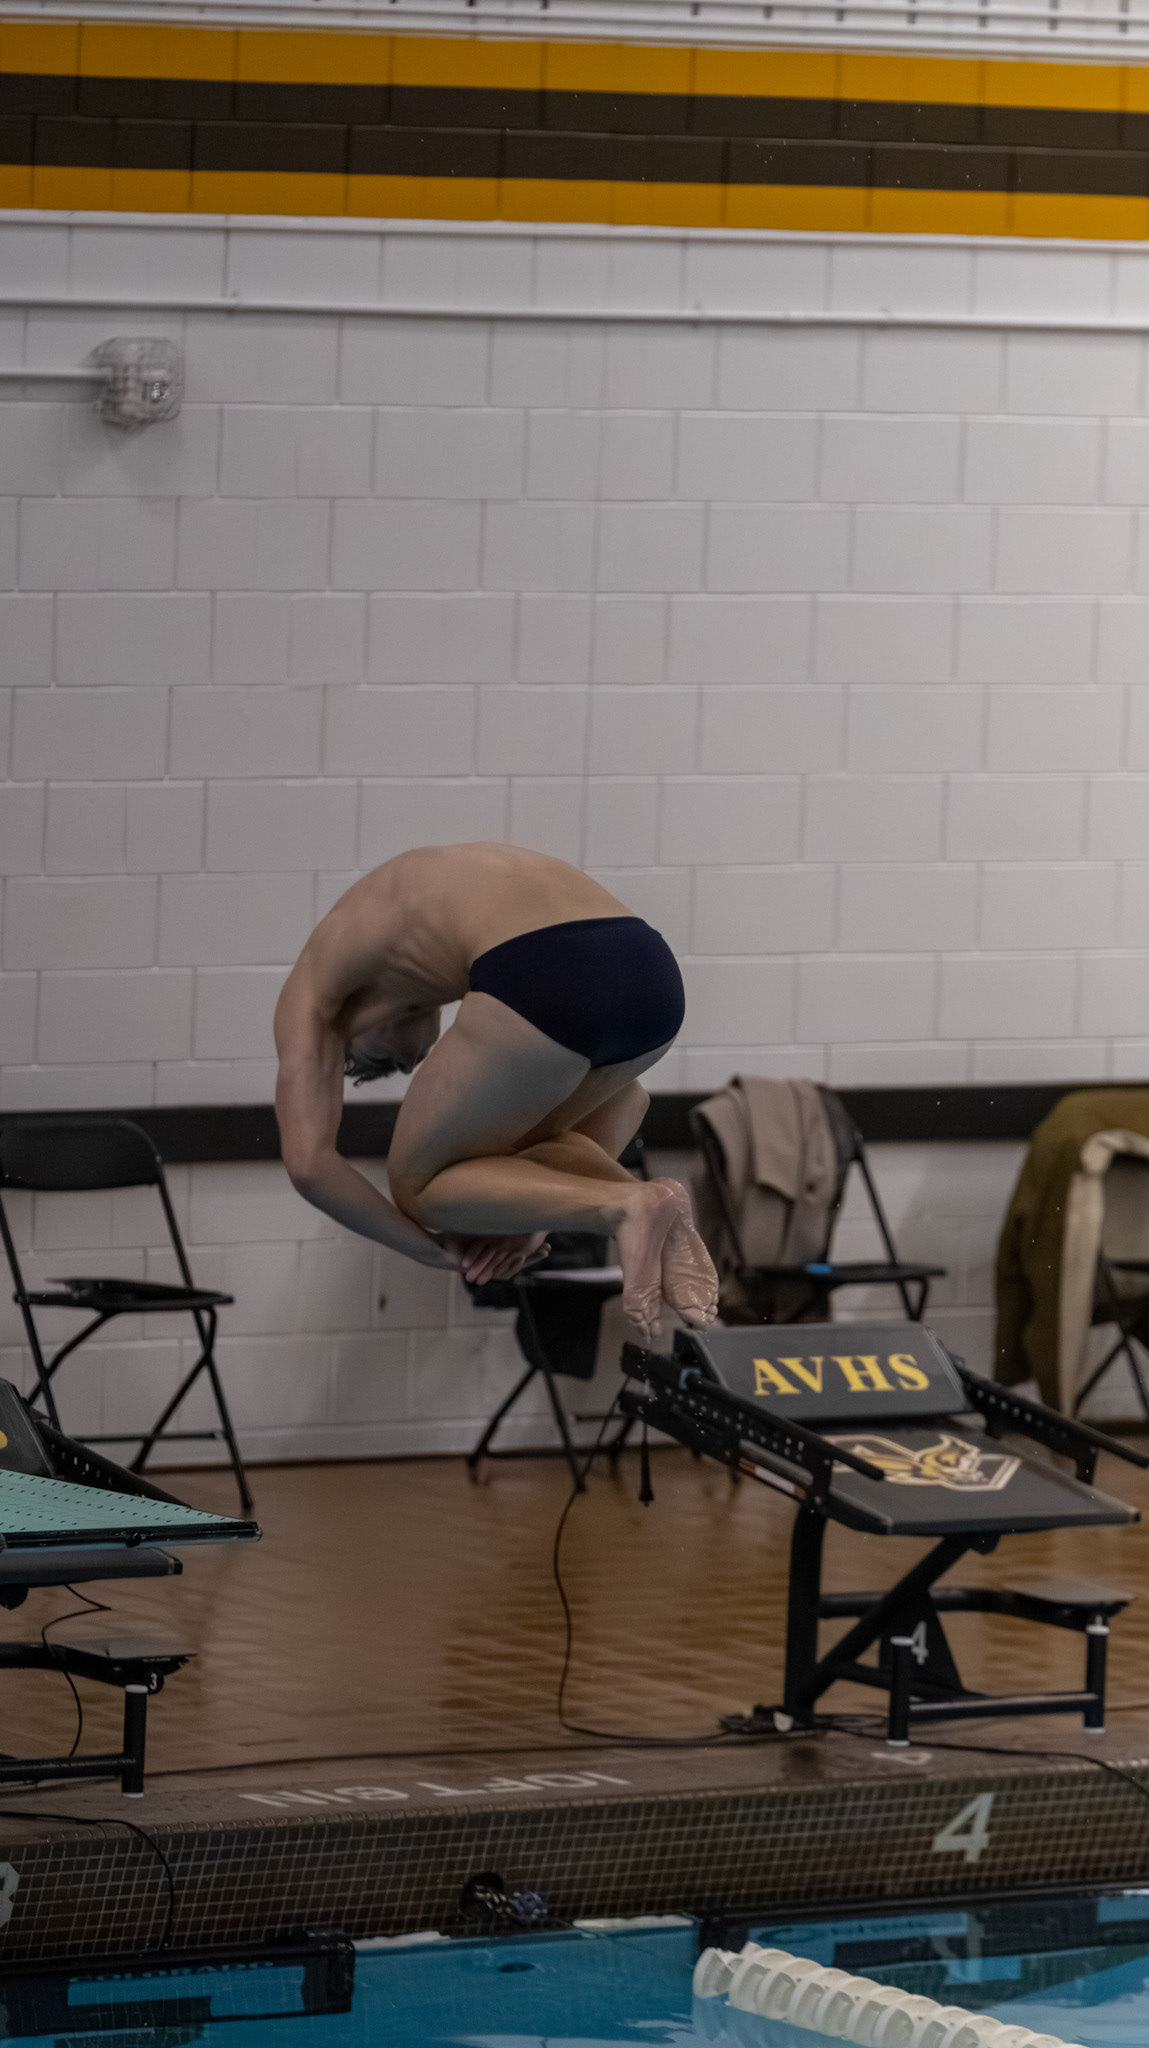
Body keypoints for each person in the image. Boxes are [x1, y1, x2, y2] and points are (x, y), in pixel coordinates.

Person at [274, 844, 717, 1340]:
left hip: (544, 968)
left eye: (376, 1062)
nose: (409, 1064)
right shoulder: (418, 922)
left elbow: (309, 1164)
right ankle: (656, 1204)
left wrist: (435, 1251)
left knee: (420, 1186)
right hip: (652, 972)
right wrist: (530, 1223)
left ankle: (627, 1207)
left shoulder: (313, 990)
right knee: (534, 1147)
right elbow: (629, 1100)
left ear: (354, 1022)